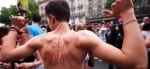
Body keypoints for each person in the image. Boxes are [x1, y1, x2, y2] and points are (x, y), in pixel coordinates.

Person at [1, 0, 147, 69]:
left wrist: (14, 27)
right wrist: (127, 13)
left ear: (51, 18)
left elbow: (5, 56)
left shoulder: (40, 40)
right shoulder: (83, 37)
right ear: (67, 16)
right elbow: (138, 63)